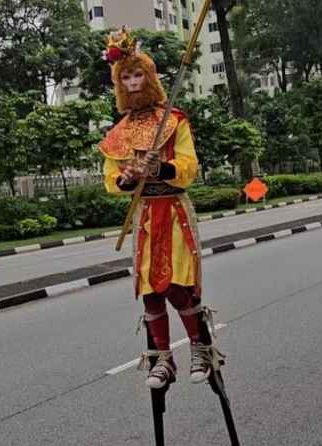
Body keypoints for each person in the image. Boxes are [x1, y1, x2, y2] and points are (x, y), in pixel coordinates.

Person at [98, 27, 213, 389]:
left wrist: (159, 168)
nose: (132, 82)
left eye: (137, 74)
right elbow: (111, 176)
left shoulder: (174, 119)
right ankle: (163, 358)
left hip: (174, 210)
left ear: (148, 78)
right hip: (145, 215)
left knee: (176, 285)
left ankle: (200, 348)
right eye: (125, 76)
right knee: (150, 289)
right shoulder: (120, 132)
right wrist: (129, 178)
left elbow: (189, 167)